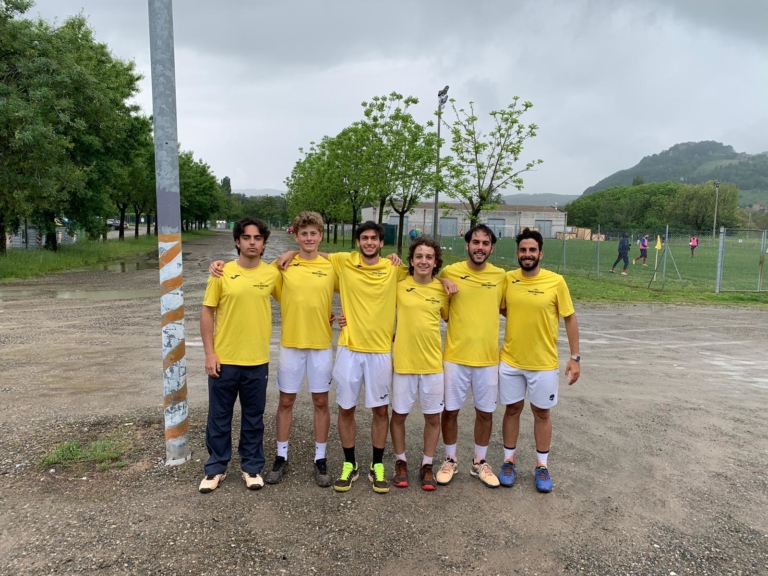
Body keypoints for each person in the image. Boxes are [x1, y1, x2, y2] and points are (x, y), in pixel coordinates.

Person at [276, 221, 407, 494]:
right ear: (357, 242)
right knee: (345, 409)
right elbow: (315, 255)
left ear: (382, 244)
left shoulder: (395, 268)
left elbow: (423, 277)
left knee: (380, 410)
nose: (369, 242)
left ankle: (377, 465)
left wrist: (445, 280)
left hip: (381, 351)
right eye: (364, 238)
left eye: (374, 239)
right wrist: (290, 253)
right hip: (349, 348)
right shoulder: (344, 261)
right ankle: (350, 465)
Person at [208, 211, 337, 487]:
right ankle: (280, 457)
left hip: (320, 344)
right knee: (283, 402)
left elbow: (356, 287)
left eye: (314, 233)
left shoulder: (329, 266)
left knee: (320, 403)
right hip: (288, 345)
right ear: (296, 236)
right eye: (304, 234)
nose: (309, 238)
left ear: (321, 236)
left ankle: (320, 458)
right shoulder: (280, 268)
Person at [199, 217, 279, 493]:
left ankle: (251, 467)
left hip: (257, 360)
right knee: (219, 417)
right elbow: (207, 311)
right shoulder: (221, 273)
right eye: (247, 237)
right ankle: (216, 467)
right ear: (237, 241)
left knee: (253, 417)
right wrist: (210, 353)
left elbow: (295, 299)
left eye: (258, 238)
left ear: (264, 243)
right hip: (225, 359)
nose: (252, 242)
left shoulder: (272, 274)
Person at [498, 227, 580, 493]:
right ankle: (508, 461)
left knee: (541, 413)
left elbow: (569, 317)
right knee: (512, 410)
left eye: (532, 250)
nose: (527, 254)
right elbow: (502, 308)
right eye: (523, 250)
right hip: (510, 361)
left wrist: (575, 357)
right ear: (517, 253)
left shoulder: (556, 282)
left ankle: (542, 466)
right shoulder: (508, 279)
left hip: (543, 363)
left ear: (541, 253)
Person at [435, 224, 507, 489]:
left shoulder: (501, 277)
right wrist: (442, 280)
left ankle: (479, 462)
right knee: (450, 410)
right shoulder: (450, 272)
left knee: (485, 412)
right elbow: (436, 303)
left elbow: (508, 309)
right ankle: (450, 459)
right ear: (467, 245)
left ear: (491, 247)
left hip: (488, 359)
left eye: (485, 243)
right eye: (475, 242)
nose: (479, 247)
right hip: (455, 357)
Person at [389, 237, 450, 491]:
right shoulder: (398, 284)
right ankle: (400, 461)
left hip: (432, 365)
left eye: (429, 257)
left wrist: (446, 282)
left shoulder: (443, 290)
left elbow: (450, 318)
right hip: (403, 363)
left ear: (436, 262)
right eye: (419, 256)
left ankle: (427, 464)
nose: (423, 261)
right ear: (411, 260)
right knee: (399, 415)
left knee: (433, 418)